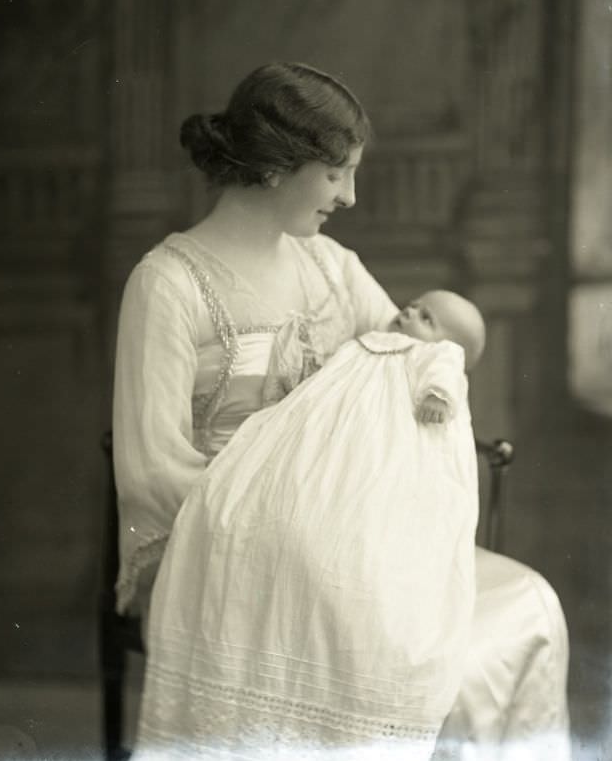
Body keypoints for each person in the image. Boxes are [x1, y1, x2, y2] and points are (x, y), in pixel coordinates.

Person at [112, 63, 570, 759]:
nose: (350, 196)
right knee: (384, 639)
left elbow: (410, 359)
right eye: (335, 175)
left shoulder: (331, 266)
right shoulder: (168, 285)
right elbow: (152, 469)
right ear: (275, 166)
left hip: (345, 544)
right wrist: (293, 524)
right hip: (222, 549)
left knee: (526, 603)